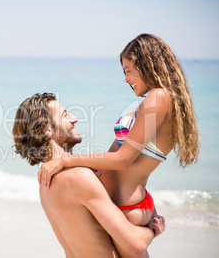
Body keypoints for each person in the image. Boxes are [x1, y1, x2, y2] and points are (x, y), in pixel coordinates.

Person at [38, 33, 200, 227]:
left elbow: (123, 160)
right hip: (127, 203)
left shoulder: (158, 97)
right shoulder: (158, 100)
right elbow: (123, 159)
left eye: (129, 70)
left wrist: (64, 161)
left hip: (125, 207)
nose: (126, 79)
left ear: (147, 65)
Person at [12, 93, 164, 257]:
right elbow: (136, 245)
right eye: (65, 115)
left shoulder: (45, 185)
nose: (74, 119)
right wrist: (152, 229)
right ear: (47, 129)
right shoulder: (79, 177)